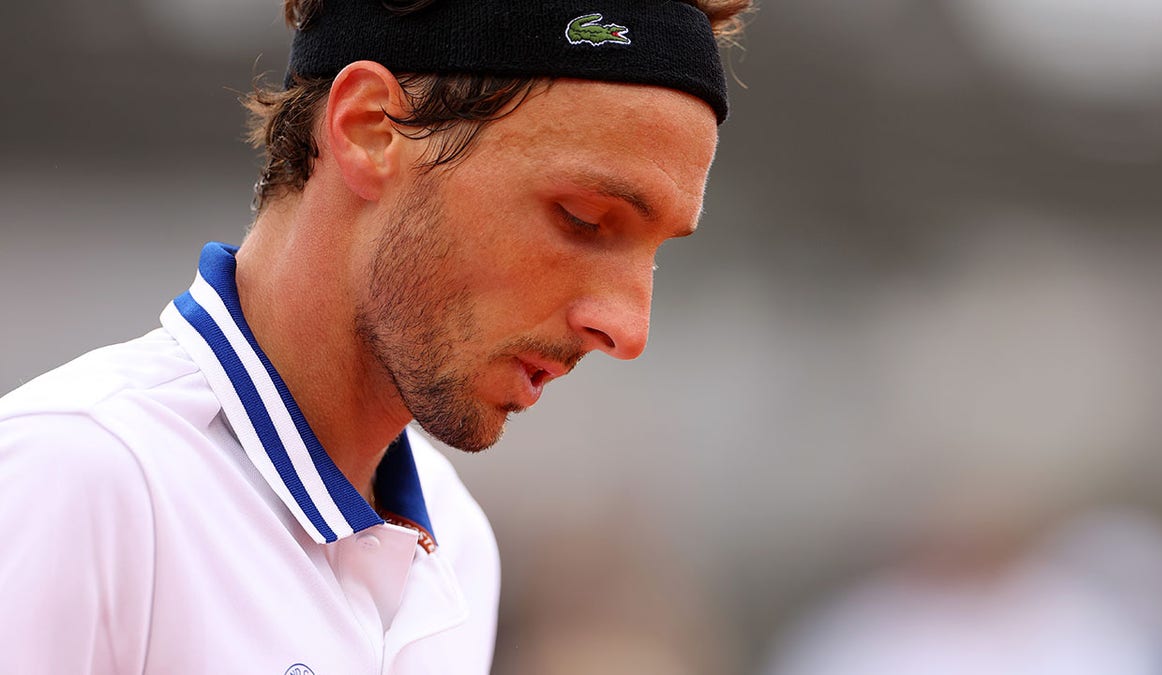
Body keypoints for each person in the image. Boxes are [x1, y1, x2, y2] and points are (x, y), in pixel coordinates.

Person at [0, 0, 751, 672]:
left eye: (655, 252)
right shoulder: (77, 476)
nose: (627, 326)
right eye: (582, 219)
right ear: (369, 129)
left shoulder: (457, 545)